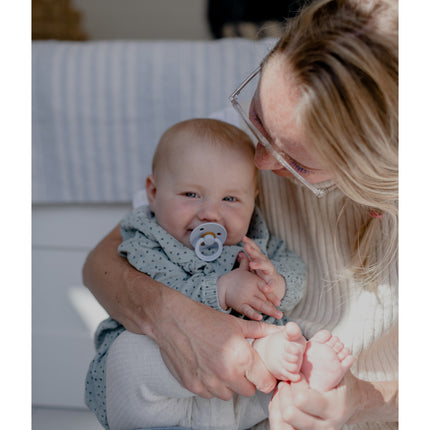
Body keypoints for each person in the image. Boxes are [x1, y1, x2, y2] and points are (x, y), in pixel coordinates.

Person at [83, 0, 398, 429]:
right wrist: (176, 314)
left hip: (292, 401)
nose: (259, 160)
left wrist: (360, 397)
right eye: (258, 118)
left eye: (297, 163)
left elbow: (288, 277)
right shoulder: (222, 148)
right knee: (129, 364)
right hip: (189, 387)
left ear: (371, 171)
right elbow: (104, 264)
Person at [85, 118, 353, 429]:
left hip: (240, 394)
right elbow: (162, 289)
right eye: (190, 195)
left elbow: (295, 269)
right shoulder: (147, 237)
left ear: (254, 200)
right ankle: (263, 356)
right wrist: (221, 290)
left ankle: (306, 374)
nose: (210, 213)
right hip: (164, 390)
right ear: (153, 193)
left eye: (230, 199)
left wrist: (276, 284)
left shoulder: (255, 241)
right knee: (127, 357)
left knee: (290, 347)